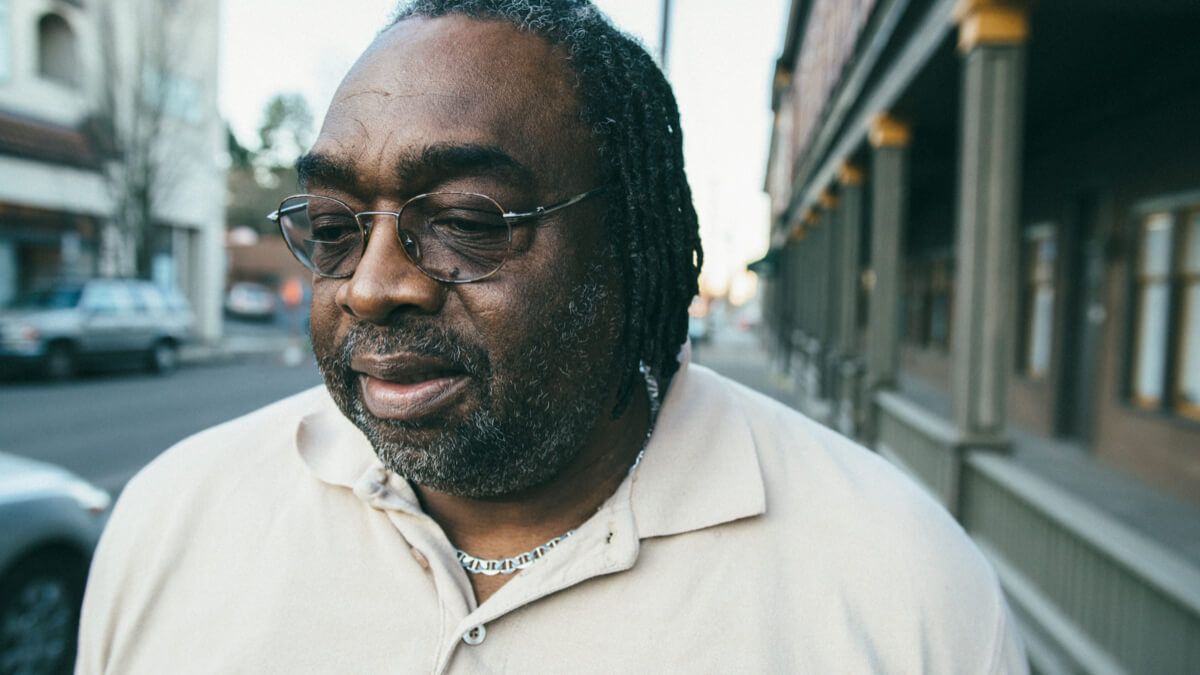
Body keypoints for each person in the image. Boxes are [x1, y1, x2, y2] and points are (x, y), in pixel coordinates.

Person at [77, 1, 1027, 672]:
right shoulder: (172, 520)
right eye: (333, 228)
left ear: (631, 247)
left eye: (467, 219)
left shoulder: (902, 591)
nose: (372, 286)